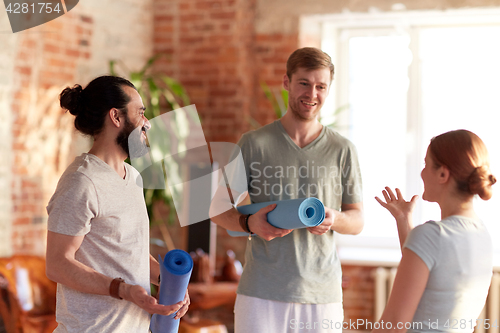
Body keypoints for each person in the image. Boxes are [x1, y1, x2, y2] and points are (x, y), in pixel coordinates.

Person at [210, 47, 364, 332]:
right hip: (261, 292)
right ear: (287, 82)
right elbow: (217, 209)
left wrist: (334, 218)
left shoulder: (343, 150)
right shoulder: (253, 143)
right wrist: (248, 223)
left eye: (321, 86)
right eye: (304, 83)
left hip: (322, 296)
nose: (312, 94)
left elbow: (357, 220)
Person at [45, 76, 189, 332]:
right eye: (141, 113)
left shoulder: (132, 176)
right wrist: (122, 290)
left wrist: (167, 281)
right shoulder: (81, 181)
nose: (148, 124)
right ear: (116, 117)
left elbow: (126, 250)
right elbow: (57, 264)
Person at [374, 129, 496, 333]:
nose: (422, 173)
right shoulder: (483, 235)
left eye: (425, 164)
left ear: (442, 174)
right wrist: (404, 220)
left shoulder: (431, 235)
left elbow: (393, 325)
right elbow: (431, 273)